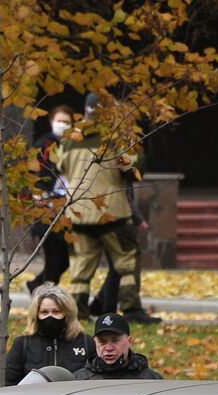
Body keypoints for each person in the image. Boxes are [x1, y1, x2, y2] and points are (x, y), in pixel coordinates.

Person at [54, 97, 160, 326]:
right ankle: (131, 309)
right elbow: (132, 167)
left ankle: (78, 314)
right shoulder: (116, 135)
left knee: (81, 265)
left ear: (85, 110)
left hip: (78, 210)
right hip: (112, 211)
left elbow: (60, 167)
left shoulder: (69, 138)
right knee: (127, 260)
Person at [25, 104, 75, 293]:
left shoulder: (74, 145)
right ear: (51, 122)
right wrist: (36, 194)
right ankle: (45, 296)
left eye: (67, 122)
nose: (63, 125)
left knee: (63, 261)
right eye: (59, 121)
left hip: (66, 208)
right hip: (46, 207)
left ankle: (37, 286)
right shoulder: (42, 145)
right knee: (54, 258)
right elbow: (31, 175)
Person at [4, 285, 96, 385]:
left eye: (56, 312)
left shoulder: (85, 342)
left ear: (67, 314)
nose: (50, 316)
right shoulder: (22, 344)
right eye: (44, 312)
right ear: (36, 315)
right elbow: (9, 384)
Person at [73, 313, 163, 380]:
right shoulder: (79, 381)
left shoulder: (151, 380)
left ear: (129, 341)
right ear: (95, 343)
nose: (108, 348)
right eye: (102, 341)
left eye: (115, 341)